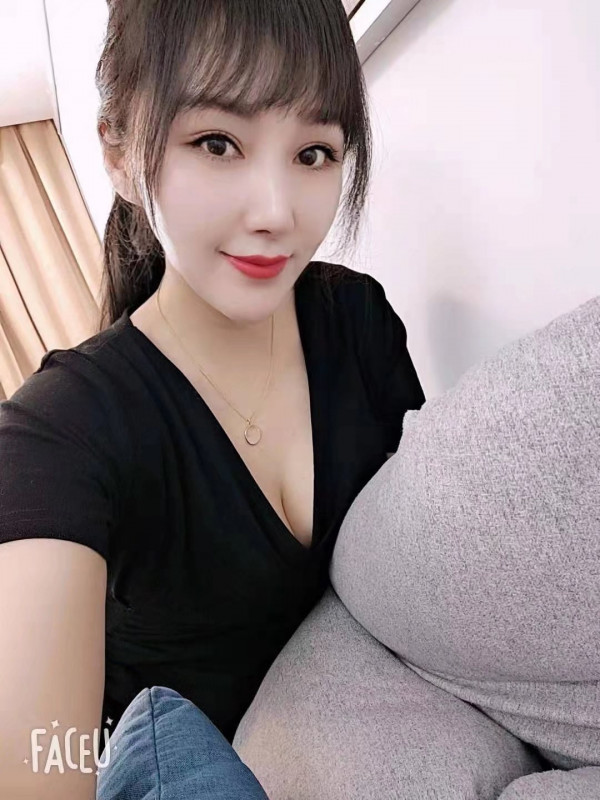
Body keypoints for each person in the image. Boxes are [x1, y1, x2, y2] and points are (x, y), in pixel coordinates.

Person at [0, 0, 425, 797]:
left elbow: (423, 553)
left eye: (314, 153)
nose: (276, 213)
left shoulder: (358, 320)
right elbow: (41, 762)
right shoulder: (58, 432)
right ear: (120, 154)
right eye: (217, 143)